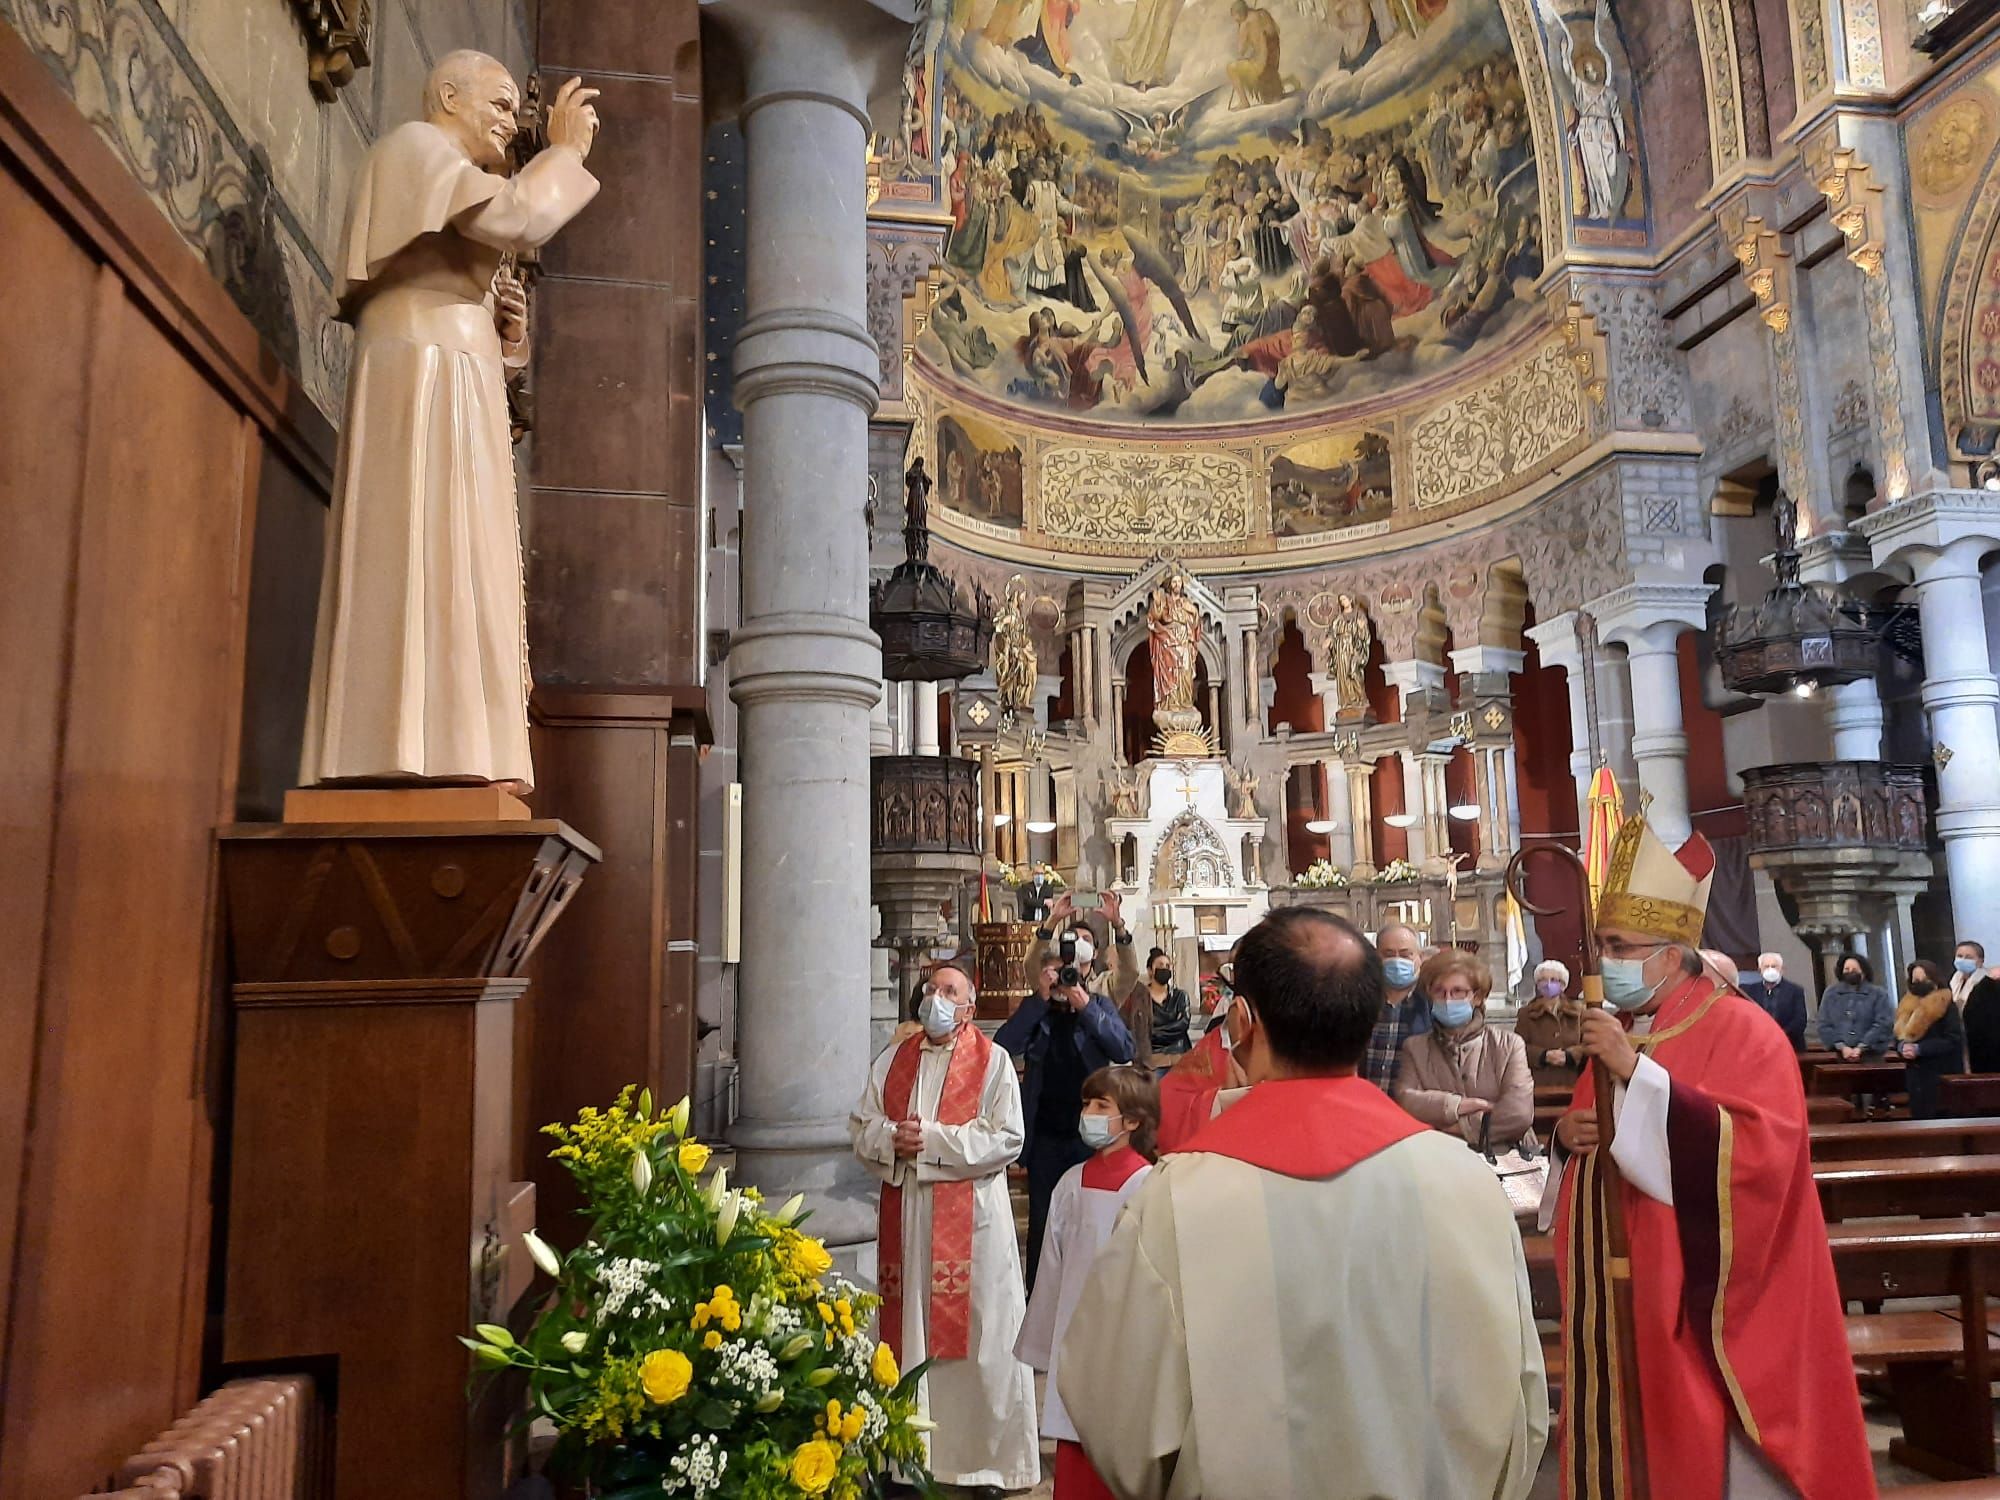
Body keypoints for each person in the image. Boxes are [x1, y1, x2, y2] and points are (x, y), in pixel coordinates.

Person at [1058, 909, 1547, 1499]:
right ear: (1369, 1023)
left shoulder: (1178, 1201)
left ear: (1245, 1020)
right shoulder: (1466, 1185)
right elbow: (1521, 1401)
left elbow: (1115, 1412)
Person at [1551, 813, 1873, 1497]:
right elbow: (1589, 1131)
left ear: (1672, 954)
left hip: (1707, 1297)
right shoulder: (1629, 1029)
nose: (1602, 959)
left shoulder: (1743, 1030)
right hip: (1626, 1290)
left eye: (1617, 944)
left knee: (1706, 1455)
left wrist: (1635, 1079)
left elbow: (1757, 1160)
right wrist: (1566, 1139)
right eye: (1601, 943)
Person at [303, 54, 602, 792]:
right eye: (499, 104)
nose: (511, 120)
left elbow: (463, 273)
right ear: (446, 96)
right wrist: (563, 153)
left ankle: (462, 745)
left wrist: (503, 347)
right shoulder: (413, 148)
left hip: (452, 372)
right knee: (418, 548)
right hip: (420, 371)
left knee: (463, 560)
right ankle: (399, 747)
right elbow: (516, 217)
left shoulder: (444, 173)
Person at [849, 959, 1040, 1492]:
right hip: (908, 1219)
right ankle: (909, 1459)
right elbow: (861, 1127)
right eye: (931, 988)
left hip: (973, 1223)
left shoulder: (994, 1062)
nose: (936, 997)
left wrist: (929, 1141)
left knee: (981, 1340)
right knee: (908, 1332)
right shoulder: (892, 1060)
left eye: (949, 990)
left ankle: (982, 1461)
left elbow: (1006, 1138)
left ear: (969, 1006)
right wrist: (891, 1139)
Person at [1016, 1066, 1160, 1500]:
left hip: (1128, 1340)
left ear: (1132, 1121)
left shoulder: (1149, 1185)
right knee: (1075, 1449)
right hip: (1074, 1338)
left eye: (1102, 1106)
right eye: (1086, 1105)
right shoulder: (1070, 1184)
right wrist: (1043, 1346)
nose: (1089, 1114)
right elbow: (1051, 1273)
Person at [997, 900, 1137, 1290]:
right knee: (1043, 1221)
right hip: (1045, 1136)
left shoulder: (1101, 1004)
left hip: (1091, 1135)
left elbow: (1123, 1049)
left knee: (1091, 1217)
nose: (1067, 978)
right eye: (1061, 970)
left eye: (1074, 972)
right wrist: (1041, 999)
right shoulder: (1039, 1010)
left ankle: (1093, 1290)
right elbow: (1003, 1044)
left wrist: (1086, 1007)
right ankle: (1037, 1293)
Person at [1395, 949, 1536, 1150]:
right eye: (1439, 991)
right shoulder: (1415, 1047)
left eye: (1458, 991)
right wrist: (1457, 1106)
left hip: (1504, 1157)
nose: (1448, 999)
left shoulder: (1509, 1044)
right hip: (1439, 1157)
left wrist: (1458, 1127)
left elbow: (1518, 1114)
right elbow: (1406, 1101)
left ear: (1477, 997)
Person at [1362, 921, 1430, 1092]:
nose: (1397, 960)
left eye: (1406, 955)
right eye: (1389, 954)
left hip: (1412, 1109)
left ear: (1419, 958)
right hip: (1365, 1104)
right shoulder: (1361, 1000)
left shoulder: (1433, 1003)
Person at [1896, 958, 1966, 1119]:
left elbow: (1952, 1039)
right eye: (1915, 980)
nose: (1918, 983)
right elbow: (1898, 1035)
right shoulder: (1906, 1005)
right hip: (1915, 1073)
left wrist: (1919, 1049)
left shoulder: (1946, 1003)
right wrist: (1902, 1047)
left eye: (1923, 979)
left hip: (1940, 1071)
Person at [1512, 959, 1586, 1085]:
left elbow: (1588, 1044)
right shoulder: (1526, 1013)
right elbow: (1518, 1047)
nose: (1548, 984)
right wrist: (1543, 1056)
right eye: (1543, 980)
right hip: (1539, 1082)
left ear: (1563, 985)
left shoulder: (1578, 1011)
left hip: (1573, 1080)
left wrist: (1569, 1056)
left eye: (1554, 980)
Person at [1125, 948, 1193, 1071]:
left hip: (1179, 1053)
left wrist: (1153, 1032)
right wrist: (1169, 1029)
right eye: (1160, 965)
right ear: (1150, 971)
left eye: (1167, 965)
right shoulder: (1140, 997)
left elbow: (1183, 1024)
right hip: (1151, 1058)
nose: (1165, 968)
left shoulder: (1180, 996)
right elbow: (1139, 1030)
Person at [1818, 952, 1896, 1058]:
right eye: (1846, 969)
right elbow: (1824, 1024)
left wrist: (1862, 1047)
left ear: (1863, 971)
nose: (1850, 972)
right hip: (1839, 1055)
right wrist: (1842, 1047)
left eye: (1854, 969)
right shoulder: (1831, 993)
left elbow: (1884, 1023)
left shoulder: (1878, 994)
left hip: (1872, 1055)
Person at [1739, 951, 1808, 1051]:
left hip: (1789, 1045)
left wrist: (1779, 1035)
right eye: (1766, 966)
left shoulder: (1795, 991)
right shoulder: (1748, 991)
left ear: (1782, 969)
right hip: (1757, 1045)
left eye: (1774, 966)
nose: (1770, 969)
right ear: (1759, 970)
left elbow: (1799, 1021)